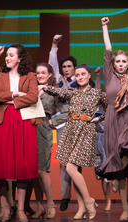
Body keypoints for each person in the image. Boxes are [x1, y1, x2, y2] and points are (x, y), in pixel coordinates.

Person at [95, 17, 128, 222]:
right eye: (117, 61)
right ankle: (125, 209)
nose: (119, 64)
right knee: (117, 158)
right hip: (113, 118)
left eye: (123, 61)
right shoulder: (109, 75)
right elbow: (108, 49)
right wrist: (104, 26)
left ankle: (118, 170)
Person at [0, 43, 41, 222]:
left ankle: (21, 209)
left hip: (22, 120)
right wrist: (15, 93)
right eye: (7, 55)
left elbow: (33, 97)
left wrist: (12, 100)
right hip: (3, 121)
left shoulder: (30, 76)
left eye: (12, 55)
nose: (8, 58)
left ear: (20, 58)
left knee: (22, 165)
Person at [42, 64, 107, 220]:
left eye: (83, 74)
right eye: (77, 75)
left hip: (86, 131)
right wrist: (42, 86)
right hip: (71, 131)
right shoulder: (72, 93)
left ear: (89, 75)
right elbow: (57, 90)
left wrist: (100, 118)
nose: (80, 77)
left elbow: (110, 107)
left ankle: (89, 201)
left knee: (71, 169)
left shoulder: (97, 93)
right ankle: (83, 207)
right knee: (73, 169)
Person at [48, 34, 74, 211]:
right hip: (63, 126)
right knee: (65, 162)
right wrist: (54, 45)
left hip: (80, 126)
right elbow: (52, 65)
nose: (65, 69)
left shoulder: (81, 82)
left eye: (69, 66)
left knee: (77, 164)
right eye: (64, 67)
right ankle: (65, 196)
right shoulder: (58, 83)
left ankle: (84, 199)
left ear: (74, 67)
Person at [31, 63, 58, 219]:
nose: (40, 75)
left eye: (43, 72)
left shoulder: (53, 92)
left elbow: (66, 110)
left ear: (49, 75)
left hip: (43, 130)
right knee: (33, 173)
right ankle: (40, 207)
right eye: (37, 72)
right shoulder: (31, 90)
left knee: (42, 170)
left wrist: (53, 121)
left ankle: (51, 205)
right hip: (29, 129)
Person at [93, 67, 111, 211]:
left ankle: (111, 196)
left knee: (111, 172)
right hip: (99, 141)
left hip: (111, 140)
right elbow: (98, 92)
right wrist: (98, 76)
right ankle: (108, 200)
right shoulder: (98, 109)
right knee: (102, 174)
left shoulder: (111, 109)